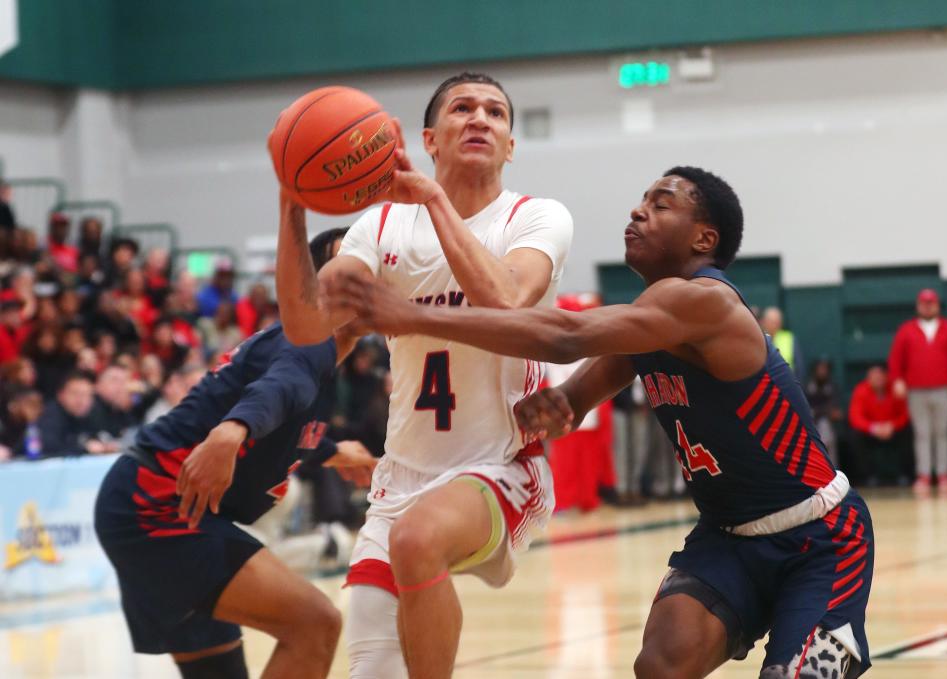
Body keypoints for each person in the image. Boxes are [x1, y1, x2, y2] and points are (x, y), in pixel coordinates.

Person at [330, 166, 873, 679]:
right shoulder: (649, 322)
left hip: (819, 537)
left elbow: (566, 334)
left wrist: (413, 315)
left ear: (703, 240)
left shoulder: (706, 305)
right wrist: (559, 402)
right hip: (727, 537)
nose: (637, 213)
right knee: (659, 665)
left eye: (660, 205)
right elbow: (576, 396)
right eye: (639, 203)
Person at [275, 71, 573, 678]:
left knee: (417, 539)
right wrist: (292, 206)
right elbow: (308, 328)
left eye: (495, 113)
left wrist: (434, 199)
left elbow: (508, 302)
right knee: (370, 669)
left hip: (502, 462)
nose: (481, 119)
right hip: (403, 474)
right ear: (429, 140)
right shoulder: (378, 228)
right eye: (462, 109)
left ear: (511, 145)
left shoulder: (536, 217)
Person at [93, 229, 377, 679]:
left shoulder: (312, 354)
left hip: (154, 502)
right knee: (315, 623)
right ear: (319, 283)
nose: (372, 277)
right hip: (159, 506)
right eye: (355, 266)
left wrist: (331, 451)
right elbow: (275, 391)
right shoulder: (308, 342)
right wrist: (232, 430)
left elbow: (286, 417)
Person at [888, 288, 947, 493]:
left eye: (931, 303)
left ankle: (944, 474)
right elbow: (896, 359)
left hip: (943, 389)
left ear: (937, 305)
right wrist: (897, 380)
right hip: (916, 391)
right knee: (922, 433)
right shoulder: (906, 330)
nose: (928, 306)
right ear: (918, 305)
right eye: (924, 303)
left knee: (942, 432)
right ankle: (924, 475)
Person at [848, 365, 910, 486]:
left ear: (886, 377)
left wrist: (892, 426)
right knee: (855, 436)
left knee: (908, 432)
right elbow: (855, 417)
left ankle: (905, 475)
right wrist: (873, 428)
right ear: (868, 379)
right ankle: (867, 476)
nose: (878, 380)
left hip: (892, 430)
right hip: (871, 432)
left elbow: (905, 415)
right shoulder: (861, 390)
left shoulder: (894, 389)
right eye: (874, 377)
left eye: (880, 376)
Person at [805, 358, 843, 467]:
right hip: (811, 422)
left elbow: (835, 411)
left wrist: (824, 412)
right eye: (820, 369)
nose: (822, 371)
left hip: (827, 423)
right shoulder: (808, 386)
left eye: (825, 369)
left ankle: (832, 470)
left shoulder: (832, 386)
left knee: (826, 431)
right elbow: (807, 408)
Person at [760, 306, 804, 379]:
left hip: (786, 382)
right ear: (764, 322)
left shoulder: (789, 338)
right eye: (771, 321)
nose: (774, 325)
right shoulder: (759, 338)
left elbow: (799, 367)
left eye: (776, 322)